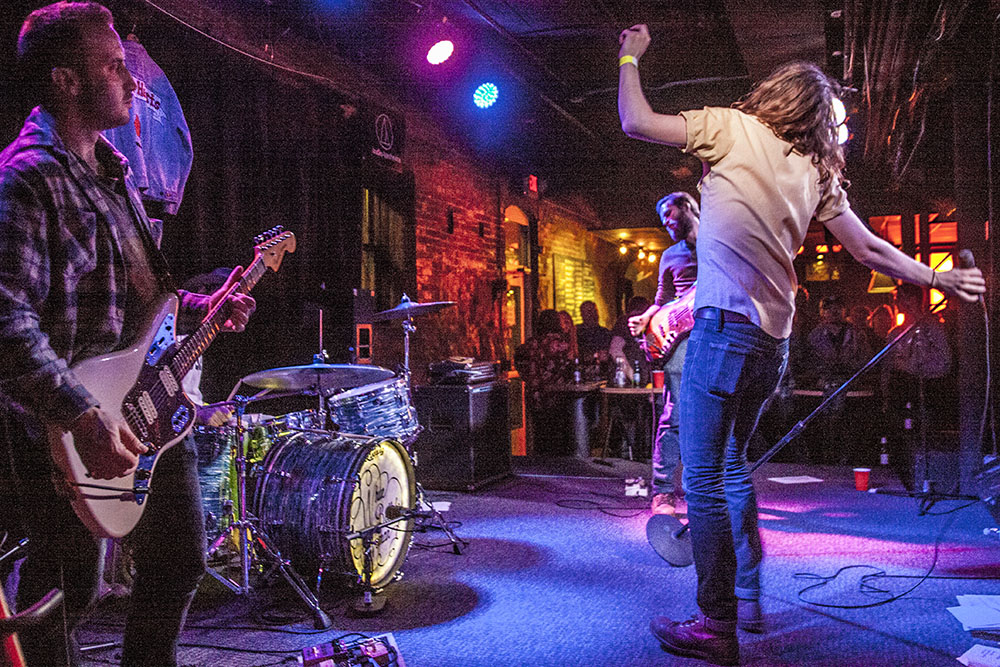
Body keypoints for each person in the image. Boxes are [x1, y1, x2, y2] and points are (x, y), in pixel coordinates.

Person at [618, 23, 984, 665]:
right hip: (773, 346)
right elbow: (867, 247)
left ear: (776, 96)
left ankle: (715, 622)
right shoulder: (816, 170)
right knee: (731, 464)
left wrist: (630, 54)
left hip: (724, 332)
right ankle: (747, 594)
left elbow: (635, 120)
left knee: (701, 477)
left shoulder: (731, 127)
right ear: (817, 120)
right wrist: (937, 276)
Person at [0, 4, 256, 665]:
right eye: (113, 66)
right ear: (65, 81)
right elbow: (6, 317)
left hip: (145, 407)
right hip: (63, 426)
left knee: (179, 557)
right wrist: (79, 412)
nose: (130, 79)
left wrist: (204, 304)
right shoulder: (25, 178)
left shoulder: (116, 172)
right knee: (68, 588)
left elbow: (142, 297)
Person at [628, 191, 698, 516]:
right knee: (677, 413)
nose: (667, 222)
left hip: (717, 334)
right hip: (680, 340)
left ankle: (710, 489)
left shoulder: (720, 244)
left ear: (688, 208)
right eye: (663, 219)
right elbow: (663, 297)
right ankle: (663, 491)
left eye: (669, 214)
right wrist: (647, 317)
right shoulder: (670, 255)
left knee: (718, 414)